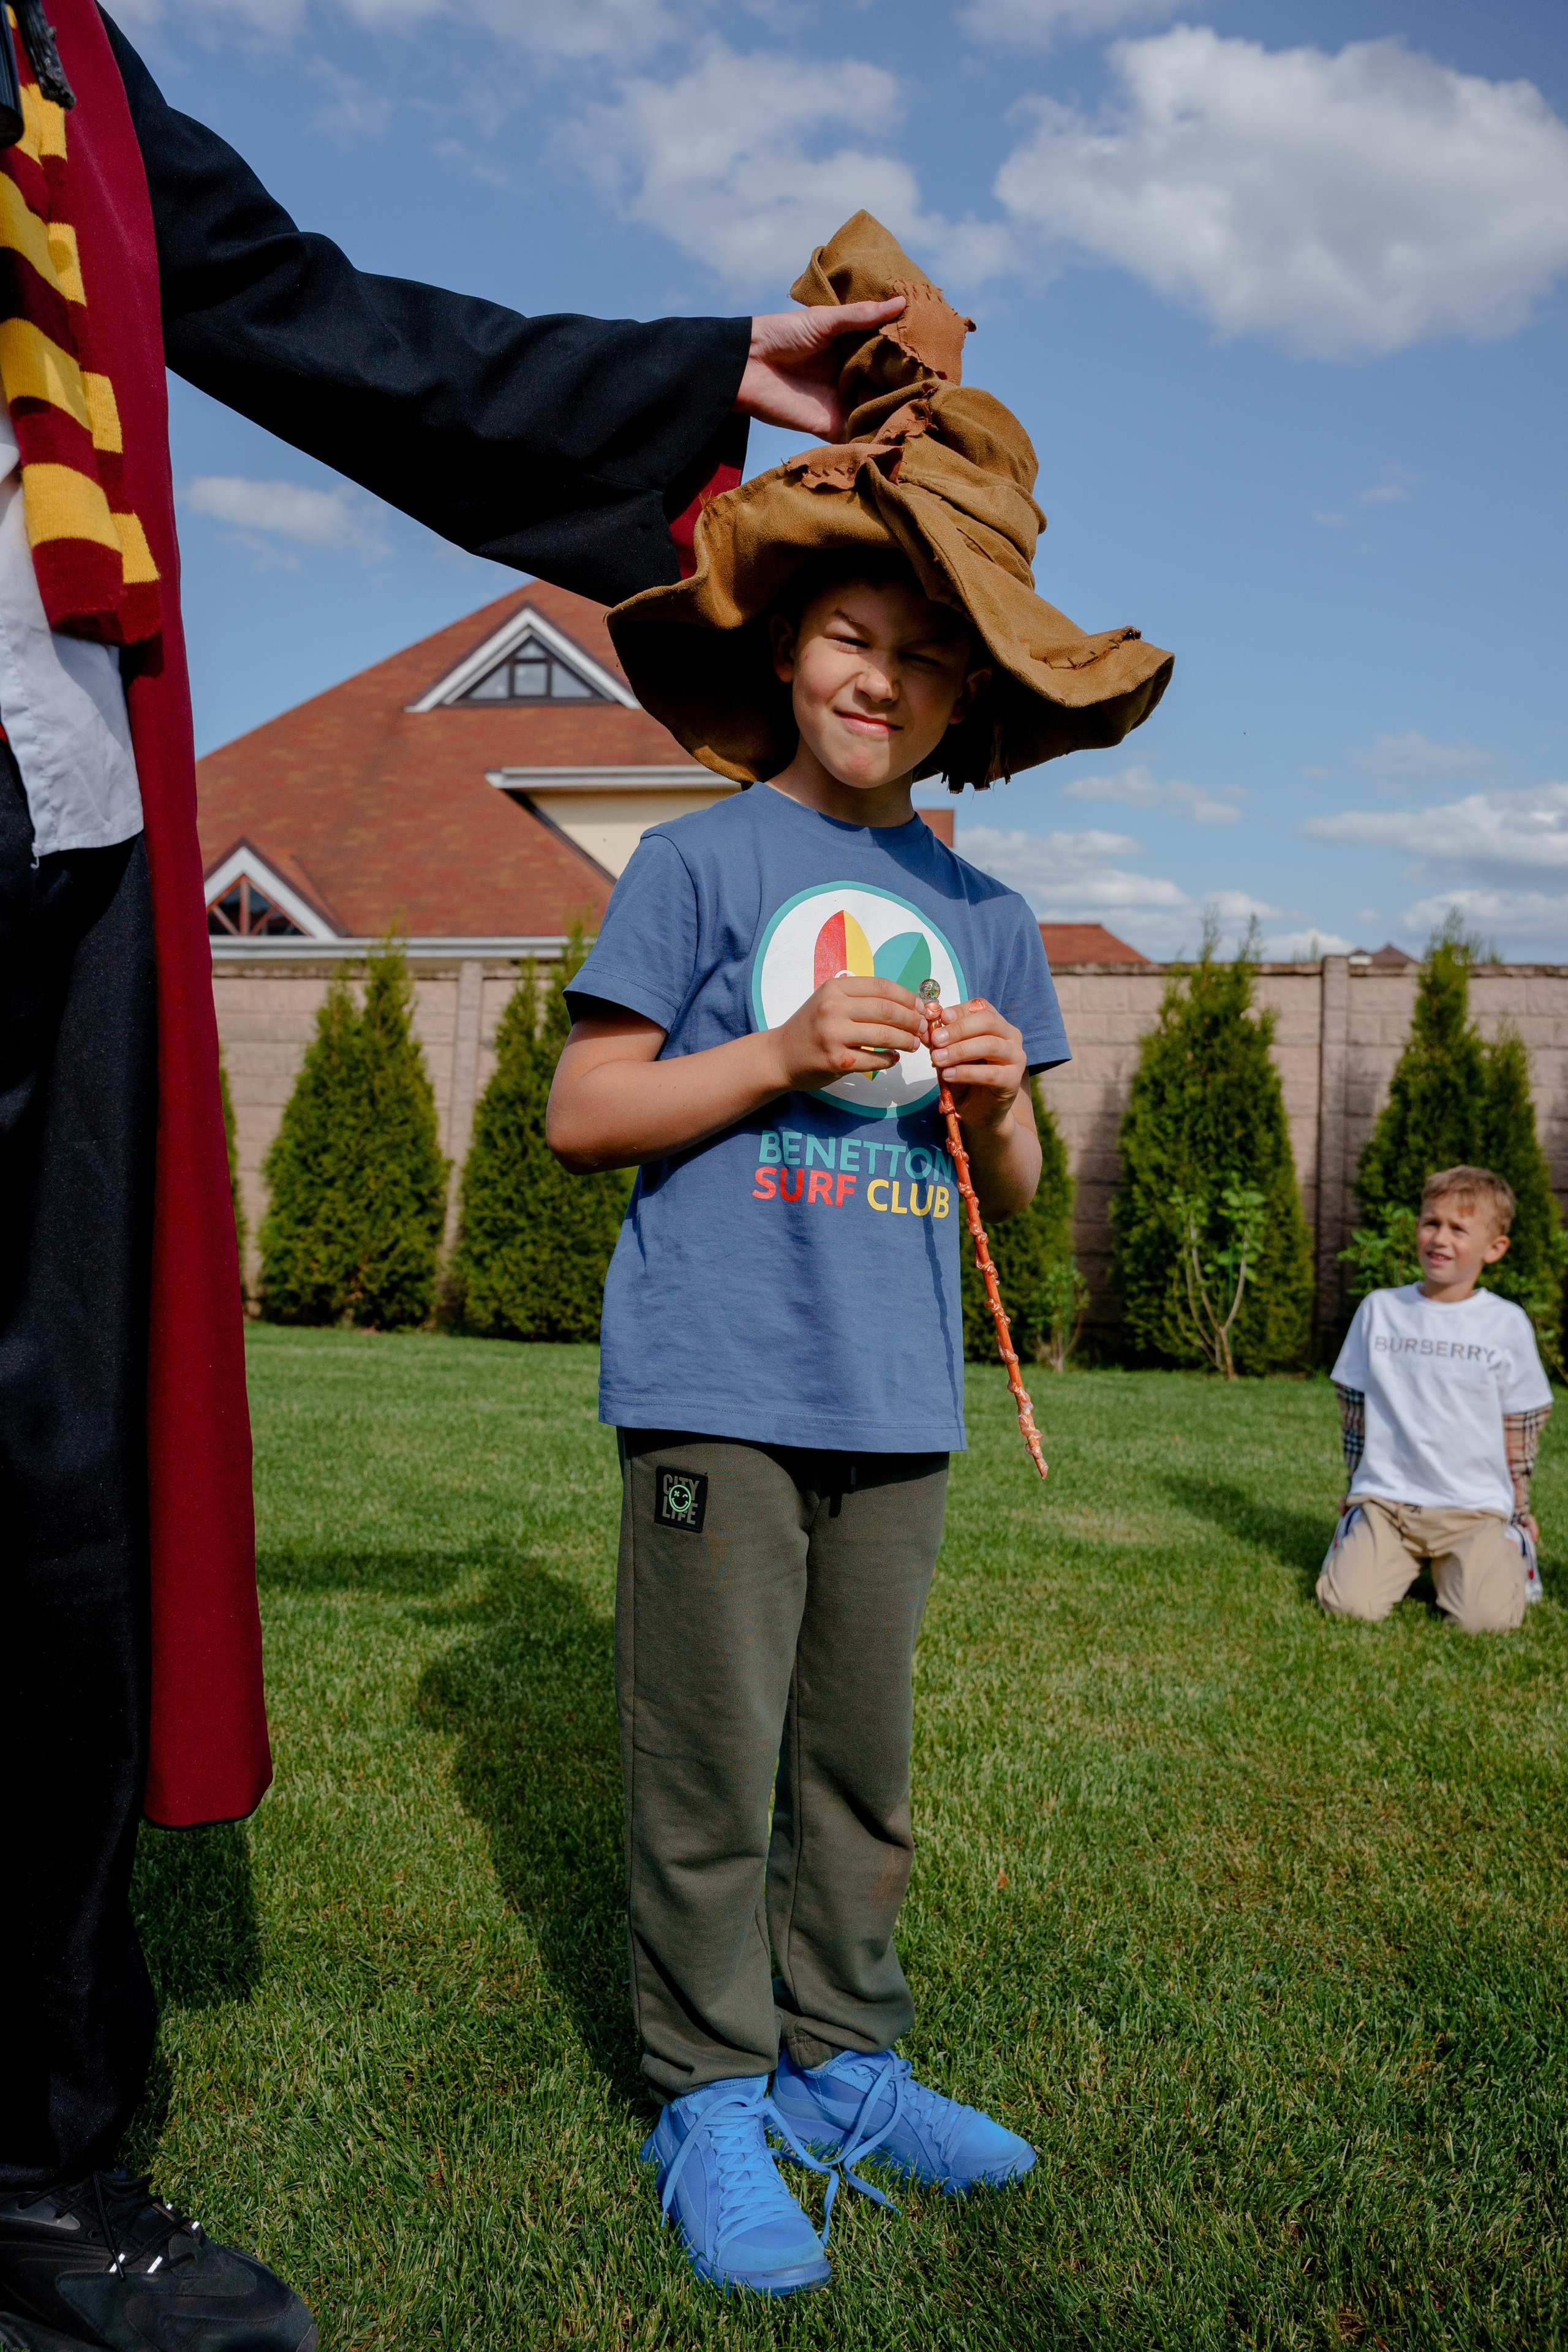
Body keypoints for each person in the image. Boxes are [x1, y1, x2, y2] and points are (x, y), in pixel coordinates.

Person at [0, 9, 910, 2343]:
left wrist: (715, 373)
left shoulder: (59, 54)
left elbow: (311, 313)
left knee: (49, 1505)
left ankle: (32, 2161)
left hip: (54, 823)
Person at [546, 212, 1171, 2297]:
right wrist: (773, 1050)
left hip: (899, 1395)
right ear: (790, 638)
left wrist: (994, 1095)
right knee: (711, 1760)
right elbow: (586, 1112)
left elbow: (1003, 1196)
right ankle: (711, 2088)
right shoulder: (702, 858)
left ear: (959, 689)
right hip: (724, 1379)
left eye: (920, 653)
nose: (875, 678)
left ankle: (843, 2056)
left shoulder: (986, 915)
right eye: (848, 634)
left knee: (858, 1768)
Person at [1319, 1166, 1553, 1635]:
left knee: (1485, 1622)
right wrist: (1355, 1487)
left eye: (1458, 1229)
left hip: (1474, 1511)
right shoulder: (1380, 1311)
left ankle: (1507, 1549)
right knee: (1348, 1608)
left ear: (1494, 1248)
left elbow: (1522, 1423)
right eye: (1431, 1222)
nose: (1439, 1238)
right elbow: (1354, 1409)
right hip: (1390, 1504)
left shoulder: (1504, 1324)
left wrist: (1520, 1511)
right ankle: (1363, 1537)